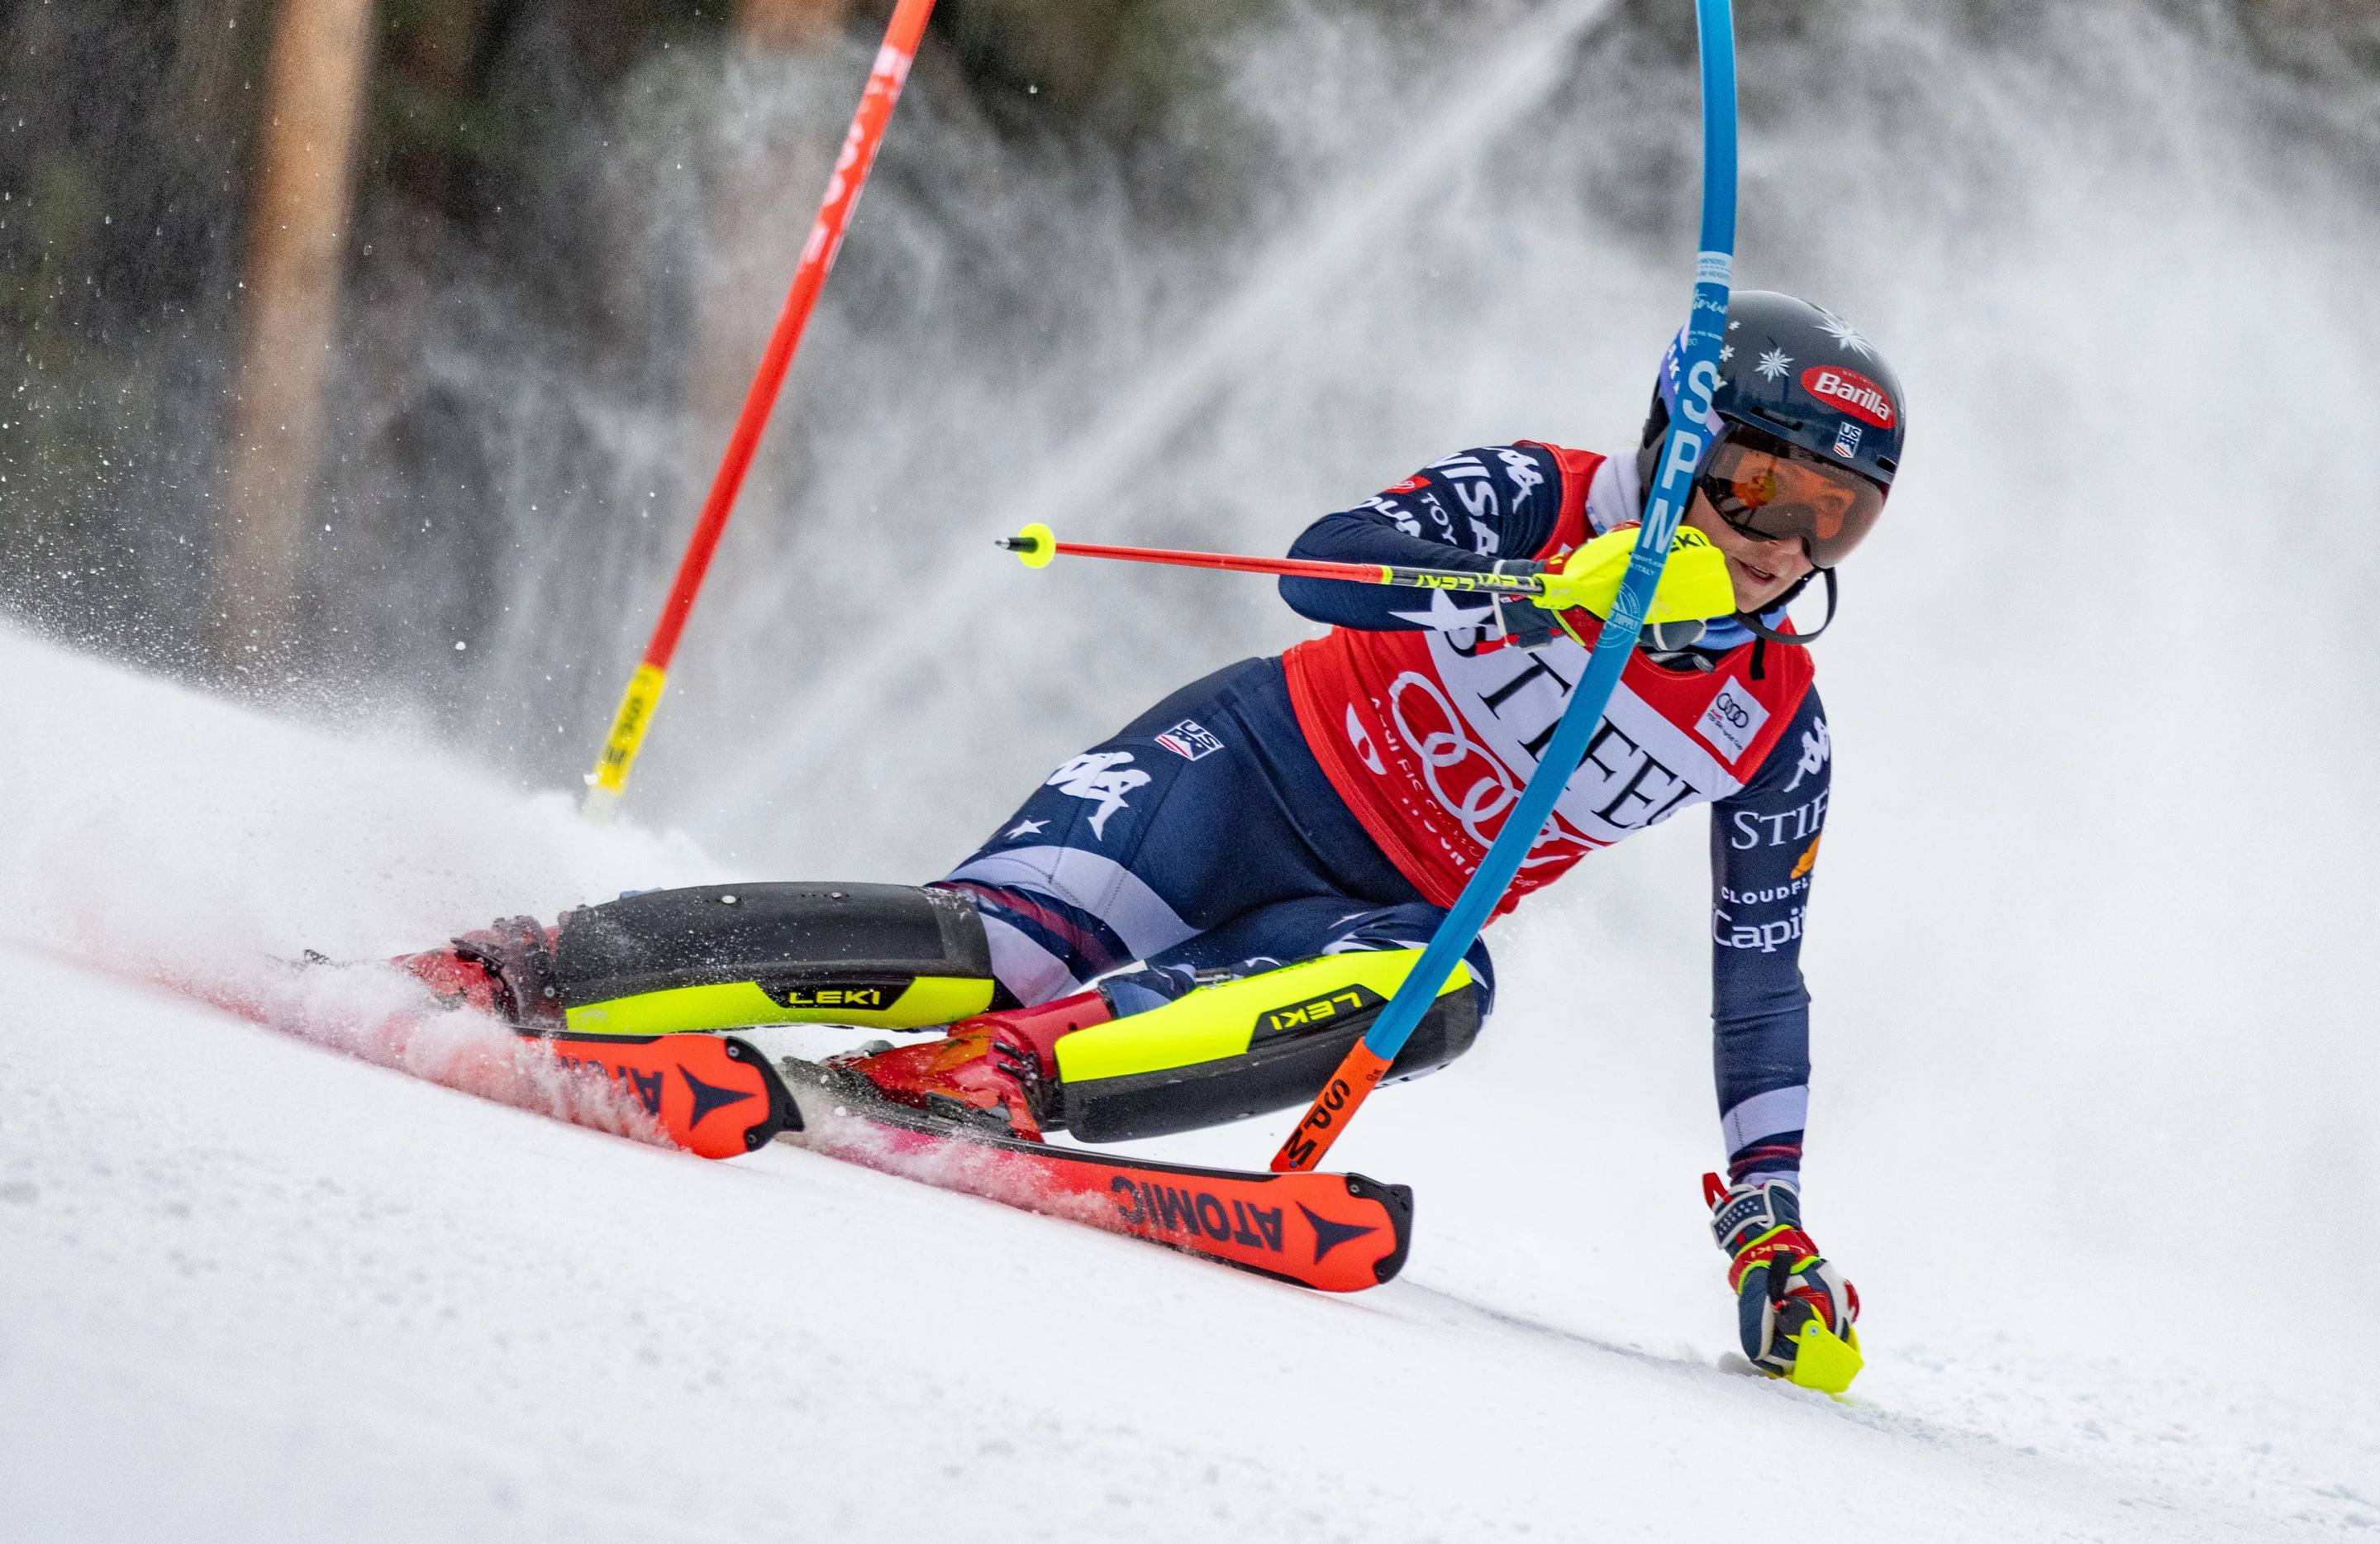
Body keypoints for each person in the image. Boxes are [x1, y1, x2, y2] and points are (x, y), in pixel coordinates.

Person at [405, 291, 1904, 1382]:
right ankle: (535, 967)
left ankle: (982, 1082)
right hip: (1239, 773)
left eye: (1835, 518)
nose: (1780, 542)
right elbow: (1324, 572)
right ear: (1678, 438)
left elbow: (1760, 981)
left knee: (1448, 994)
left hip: (1366, 917)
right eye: (1756, 480)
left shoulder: (1776, 721)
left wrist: (1766, 1222)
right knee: (988, 948)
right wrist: (1536, 586)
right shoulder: (1545, 494)